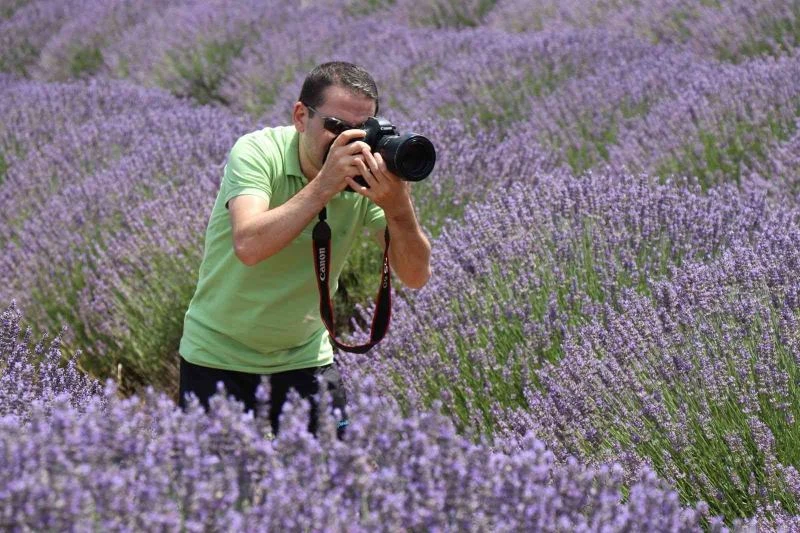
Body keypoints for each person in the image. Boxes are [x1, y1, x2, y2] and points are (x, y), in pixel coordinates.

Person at [177, 61, 431, 437]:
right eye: (337, 127)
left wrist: (398, 208)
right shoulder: (258, 152)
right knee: (223, 493)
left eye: (363, 129)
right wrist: (325, 185)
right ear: (301, 116)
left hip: (305, 358)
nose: (352, 141)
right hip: (218, 358)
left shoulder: (366, 176)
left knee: (333, 488)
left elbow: (415, 275)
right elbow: (249, 244)